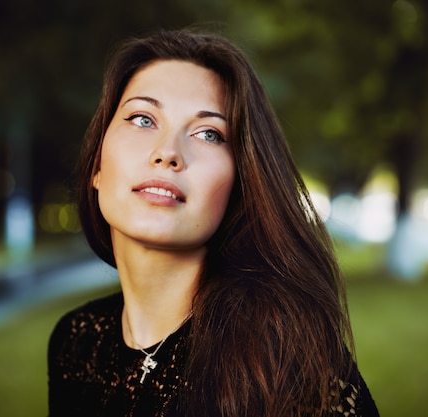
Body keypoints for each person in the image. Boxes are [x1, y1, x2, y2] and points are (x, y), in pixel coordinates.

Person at [48, 29, 379, 417]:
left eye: (208, 133)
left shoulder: (282, 358)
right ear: (97, 167)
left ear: (240, 185)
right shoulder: (77, 341)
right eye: (142, 118)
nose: (168, 153)